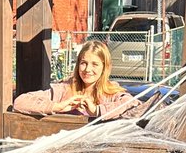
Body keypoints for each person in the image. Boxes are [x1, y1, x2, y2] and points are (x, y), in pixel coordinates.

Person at [13, 39, 142, 121]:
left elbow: (134, 105)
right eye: (83, 63)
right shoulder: (63, 89)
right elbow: (20, 102)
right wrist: (57, 106)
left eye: (95, 64)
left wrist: (97, 110)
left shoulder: (112, 93)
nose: (87, 69)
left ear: (104, 67)